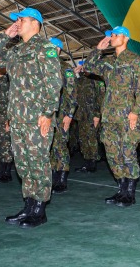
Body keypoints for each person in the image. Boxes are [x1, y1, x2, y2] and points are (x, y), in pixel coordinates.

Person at [0, 8, 62, 228]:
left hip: (37, 117)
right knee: (22, 164)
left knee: (38, 162)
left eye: (21, 20)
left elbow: (54, 83)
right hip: (18, 117)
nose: (17, 23)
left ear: (35, 23)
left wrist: (48, 113)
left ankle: (39, 209)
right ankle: (28, 205)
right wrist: (5, 37)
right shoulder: (15, 50)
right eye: (16, 20)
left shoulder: (46, 48)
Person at [84, 26, 140, 207]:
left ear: (125, 38)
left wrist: (135, 112)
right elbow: (87, 67)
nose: (111, 38)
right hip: (109, 116)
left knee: (128, 153)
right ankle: (121, 189)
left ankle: (130, 192)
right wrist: (98, 49)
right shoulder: (107, 61)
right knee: (112, 154)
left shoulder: (136, 61)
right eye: (110, 36)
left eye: (114, 35)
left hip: (127, 116)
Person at [48, 37, 77, 194]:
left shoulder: (65, 68)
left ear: (58, 49)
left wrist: (69, 114)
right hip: (47, 114)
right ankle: (53, 174)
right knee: (50, 146)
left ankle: (62, 178)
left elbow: (72, 93)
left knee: (60, 146)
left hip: (61, 114)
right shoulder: (44, 66)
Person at [73, 62, 103, 173]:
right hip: (81, 114)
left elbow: (100, 98)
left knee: (92, 138)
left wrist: (97, 115)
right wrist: (75, 74)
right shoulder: (80, 79)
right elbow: (72, 89)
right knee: (83, 138)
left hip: (92, 114)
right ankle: (87, 161)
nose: (83, 69)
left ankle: (92, 163)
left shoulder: (96, 79)